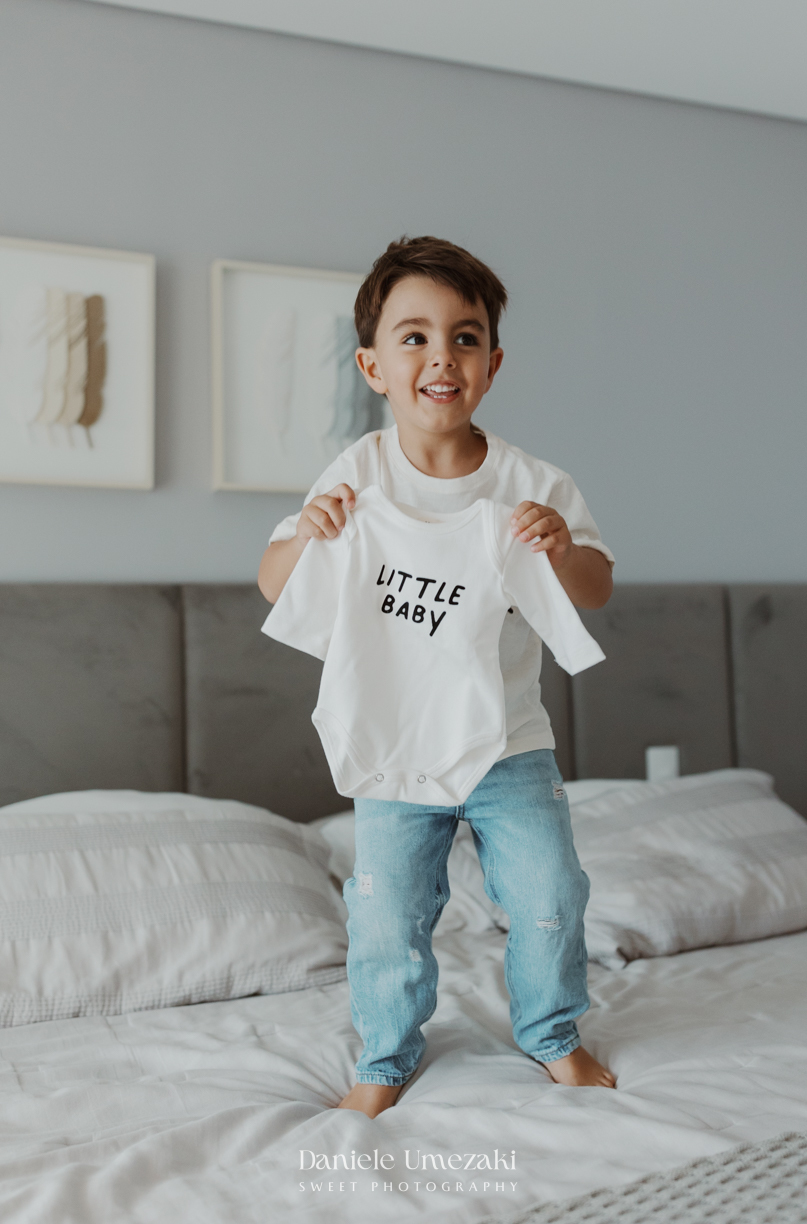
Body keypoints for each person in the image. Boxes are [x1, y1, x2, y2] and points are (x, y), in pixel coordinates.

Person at [258, 236, 616, 1118]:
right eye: (412, 337)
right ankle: (384, 1055)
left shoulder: (531, 485)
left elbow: (598, 589)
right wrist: (310, 532)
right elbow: (274, 584)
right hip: (394, 745)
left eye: (463, 337)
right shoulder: (358, 476)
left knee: (551, 893)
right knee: (385, 914)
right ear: (372, 365)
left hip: (509, 742)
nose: (439, 357)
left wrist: (561, 549)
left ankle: (553, 1033)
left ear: (492, 364)